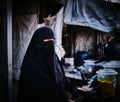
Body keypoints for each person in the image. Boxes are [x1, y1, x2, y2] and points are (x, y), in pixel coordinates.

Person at [17, 26, 75, 102]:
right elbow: (28, 94)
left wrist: (71, 89)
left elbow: (61, 77)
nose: (51, 43)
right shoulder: (30, 66)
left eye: (53, 40)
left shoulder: (55, 58)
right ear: (38, 42)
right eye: (47, 39)